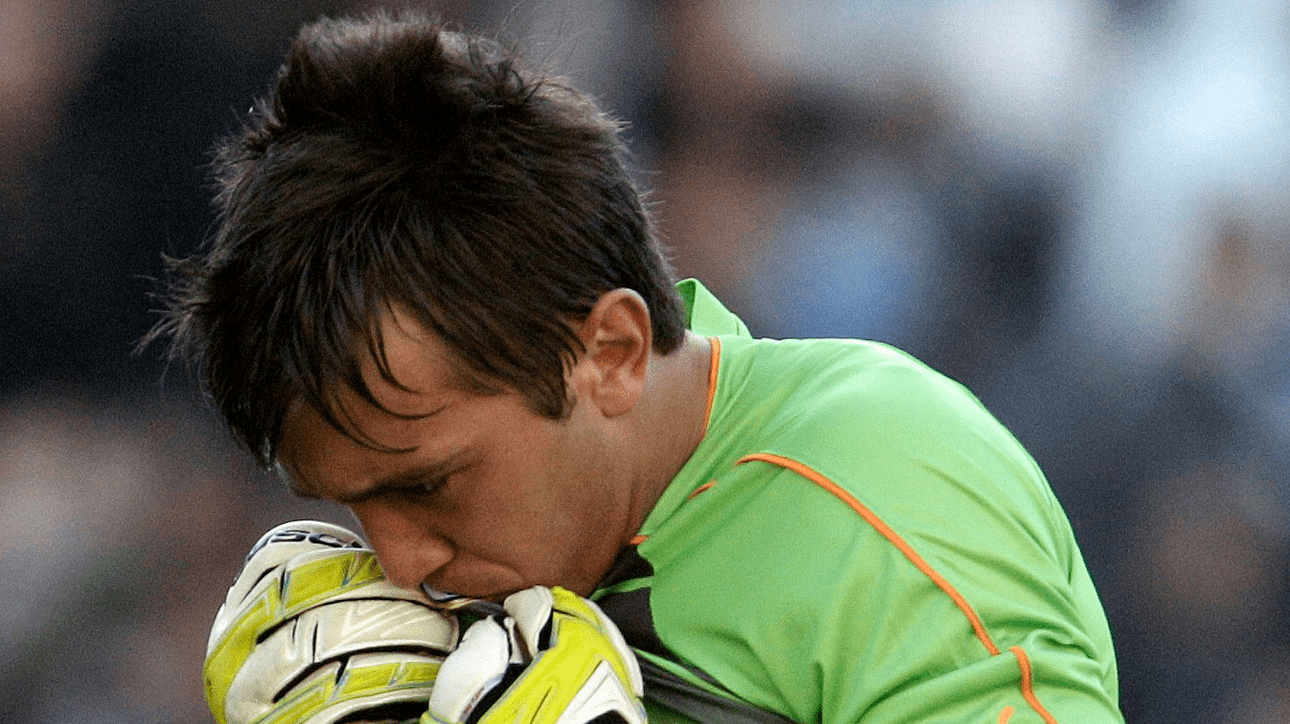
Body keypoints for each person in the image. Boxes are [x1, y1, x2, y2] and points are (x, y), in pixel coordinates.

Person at [147, 11, 1124, 724]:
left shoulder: (878, 490)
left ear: (608, 354)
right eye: (354, 506)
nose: (401, 563)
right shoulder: (464, 593)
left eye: (428, 484)